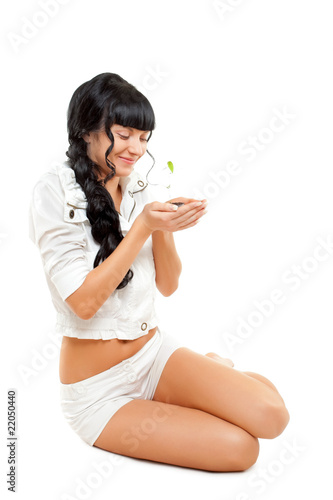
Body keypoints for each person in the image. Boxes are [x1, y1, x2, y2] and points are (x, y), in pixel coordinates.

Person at [29, 72, 289, 472]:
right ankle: (209, 376)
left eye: (144, 137)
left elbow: (168, 286)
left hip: (153, 355)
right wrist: (145, 227)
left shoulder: (137, 186)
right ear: (86, 131)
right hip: (100, 394)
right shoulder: (53, 192)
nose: (136, 148)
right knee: (241, 449)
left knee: (273, 414)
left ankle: (202, 379)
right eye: (125, 133)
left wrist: (165, 227)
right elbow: (82, 303)